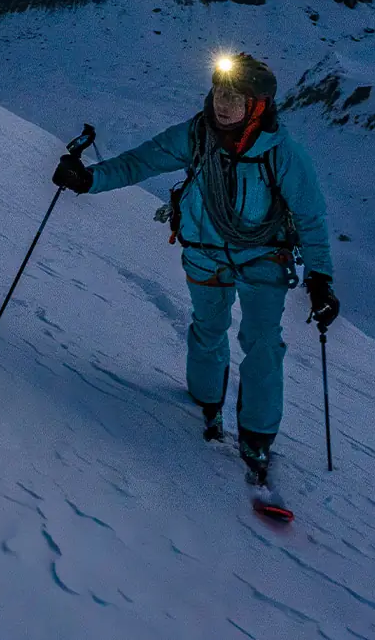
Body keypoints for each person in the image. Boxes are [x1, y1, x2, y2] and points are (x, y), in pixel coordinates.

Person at [52, 52, 339, 493]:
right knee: (208, 328)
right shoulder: (196, 135)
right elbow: (142, 161)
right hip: (205, 252)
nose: (222, 103)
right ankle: (205, 404)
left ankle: (257, 436)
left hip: (264, 257)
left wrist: (320, 277)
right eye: (219, 92)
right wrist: (89, 179)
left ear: (257, 106)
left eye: (235, 97)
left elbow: (311, 216)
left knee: (263, 343)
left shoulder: (283, 154)